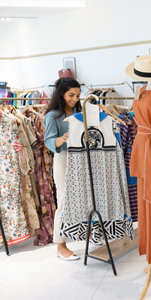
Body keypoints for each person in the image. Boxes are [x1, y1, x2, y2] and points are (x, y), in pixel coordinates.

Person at [44, 77, 81, 261]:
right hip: (64, 158)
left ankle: (84, 233)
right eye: (71, 95)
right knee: (64, 200)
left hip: (80, 157)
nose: (75, 99)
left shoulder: (78, 112)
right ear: (62, 94)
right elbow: (49, 141)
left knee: (83, 196)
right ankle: (60, 245)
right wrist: (62, 138)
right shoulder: (52, 116)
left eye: (77, 95)